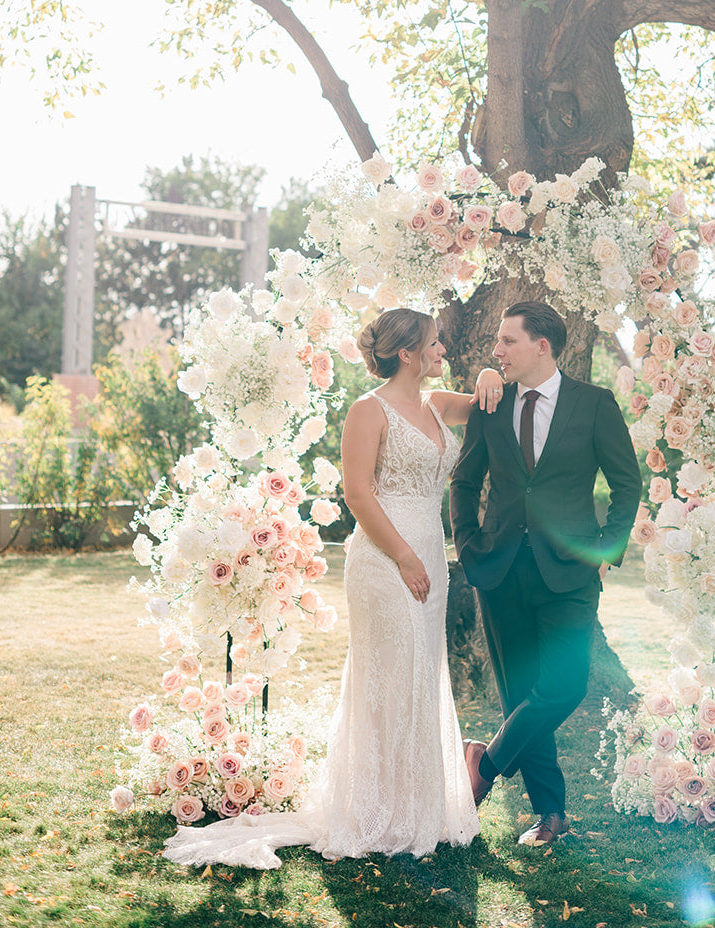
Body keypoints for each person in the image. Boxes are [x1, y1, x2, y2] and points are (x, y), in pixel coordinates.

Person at [163, 308, 503, 868]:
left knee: (421, 672)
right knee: (388, 674)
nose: (443, 350)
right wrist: (404, 557)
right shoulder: (368, 411)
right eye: (435, 344)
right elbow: (359, 495)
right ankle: (373, 810)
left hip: (430, 557)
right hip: (386, 557)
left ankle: (416, 805)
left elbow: (488, 402)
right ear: (406, 354)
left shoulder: (438, 405)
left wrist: (491, 376)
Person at [450, 300, 642, 846]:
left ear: (542, 346)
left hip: (571, 573)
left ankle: (482, 767)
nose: (496, 350)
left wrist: (605, 549)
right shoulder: (491, 405)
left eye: (507, 341)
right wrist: (468, 543)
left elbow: (627, 484)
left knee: (564, 684)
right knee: (519, 694)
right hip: (501, 568)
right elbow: (464, 482)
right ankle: (550, 814)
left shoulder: (595, 404)